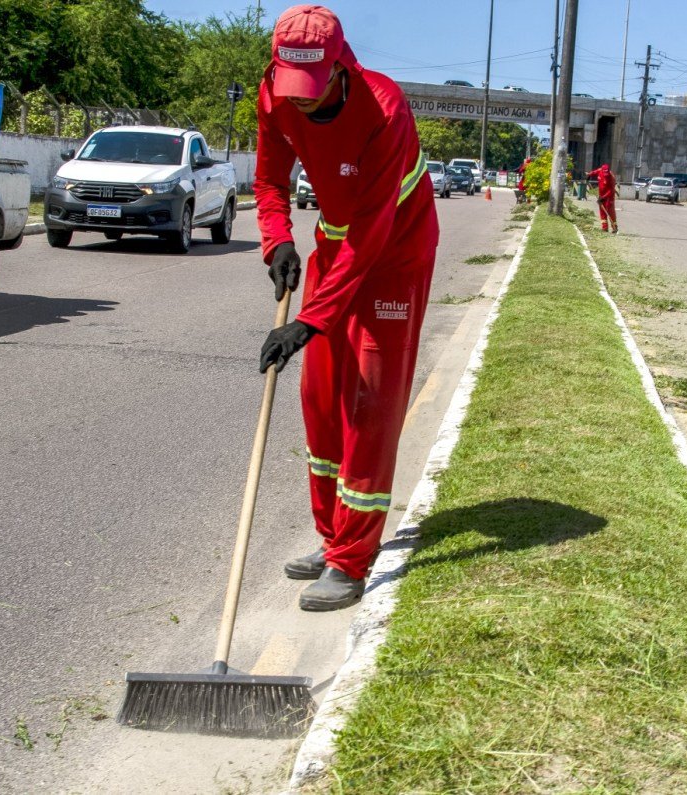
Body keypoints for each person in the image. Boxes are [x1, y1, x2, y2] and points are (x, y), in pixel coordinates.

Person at [254, 4, 439, 611]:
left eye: (312, 89)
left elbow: (372, 231)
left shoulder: (384, 109)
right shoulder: (275, 95)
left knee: (370, 401)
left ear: (340, 68)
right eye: (292, 88)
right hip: (337, 243)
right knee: (321, 394)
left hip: (395, 253)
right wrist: (277, 239)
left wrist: (310, 319)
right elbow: (269, 180)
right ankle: (332, 536)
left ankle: (352, 560)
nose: (300, 102)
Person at [586, 163, 617, 233]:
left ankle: (614, 227)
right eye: (605, 173)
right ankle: (604, 228)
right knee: (602, 211)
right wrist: (589, 175)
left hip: (609, 197)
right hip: (601, 195)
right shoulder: (600, 171)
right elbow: (594, 172)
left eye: (607, 173)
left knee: (610, 212)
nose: (606, 175)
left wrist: (603, 197)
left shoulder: (611, 177)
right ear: (602, 170)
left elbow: (611, 191)